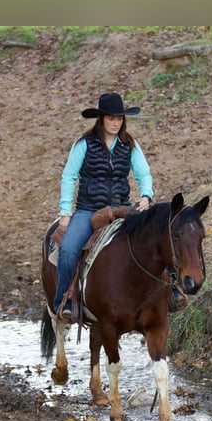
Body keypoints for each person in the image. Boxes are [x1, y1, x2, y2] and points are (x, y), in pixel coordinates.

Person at [53, 92, 154, 322]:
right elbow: (69, 176)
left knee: (155, 239)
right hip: (89, 209)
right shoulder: (84, 144)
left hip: (122, 207)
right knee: (68, 250)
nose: (115, 122)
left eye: (119, 118)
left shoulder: (129, 144)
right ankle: (63, 301)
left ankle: (161, 296)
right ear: (101, 119)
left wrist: (146, 196)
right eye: (111, 118)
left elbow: (143, 173)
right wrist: (65, 212)